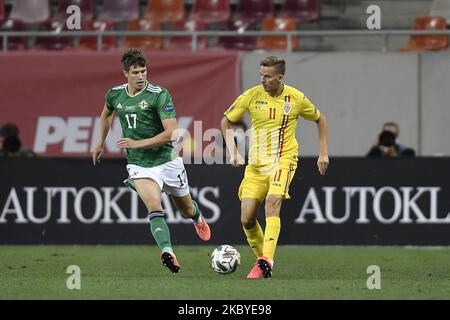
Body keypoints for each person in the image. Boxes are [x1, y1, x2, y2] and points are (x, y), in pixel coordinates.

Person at [91, 48, 211, 274]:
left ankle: (197, 218)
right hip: (139, 164)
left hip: (167, 160)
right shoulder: (115, 94)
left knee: (185, 210)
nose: (140, 76)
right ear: (125, 73)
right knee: (154, 206)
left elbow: (171, 133)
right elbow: (106, 114)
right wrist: (99, 142)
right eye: (135, 72)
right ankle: (168, 252)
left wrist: (138, 142)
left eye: (143, 71)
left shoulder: (159, 94)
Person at [220, 56, 329, 279]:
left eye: (267, 76)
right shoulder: (251, 95)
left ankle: (266, 260)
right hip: (256, 165)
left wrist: (323, 153)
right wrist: (233, 151)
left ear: (280, 77)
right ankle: (264, 261)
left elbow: (320, 119)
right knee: (247, 219)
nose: (263, 80)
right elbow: (225, 121)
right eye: (261, 75)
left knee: (272, 202)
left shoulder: (296, 98)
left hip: (283, 160)